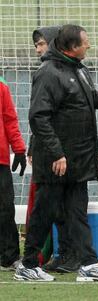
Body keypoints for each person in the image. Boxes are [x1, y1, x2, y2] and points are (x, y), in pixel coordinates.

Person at [14, 24, 98, 282]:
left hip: (77, 160)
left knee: (77, 211)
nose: (89, 45)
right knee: (44, 211)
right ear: (72, 47)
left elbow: (92, 99)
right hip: (56, 161)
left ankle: (89, 263)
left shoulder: (79, 69)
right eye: (86, 42)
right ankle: (28, 264)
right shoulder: (48, 73)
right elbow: (39, 118)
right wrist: (56, 154)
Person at [30, 25, 81, 273]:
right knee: (51, 208)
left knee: (62, 208)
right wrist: (34, 147)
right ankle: (35, 259)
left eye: (41, 44)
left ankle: (68, 255)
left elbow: (46, 116)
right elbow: (40, 117)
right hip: (53, 153)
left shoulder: (64, 71)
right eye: (36, 45)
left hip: (61, 153)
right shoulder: (47, 71)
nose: (38, 49)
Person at [0, 77, 26, 271]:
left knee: (5, 208)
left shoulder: (2, 85)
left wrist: (18, 148)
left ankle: (9, 256)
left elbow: (9, 118)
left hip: (0, 160)